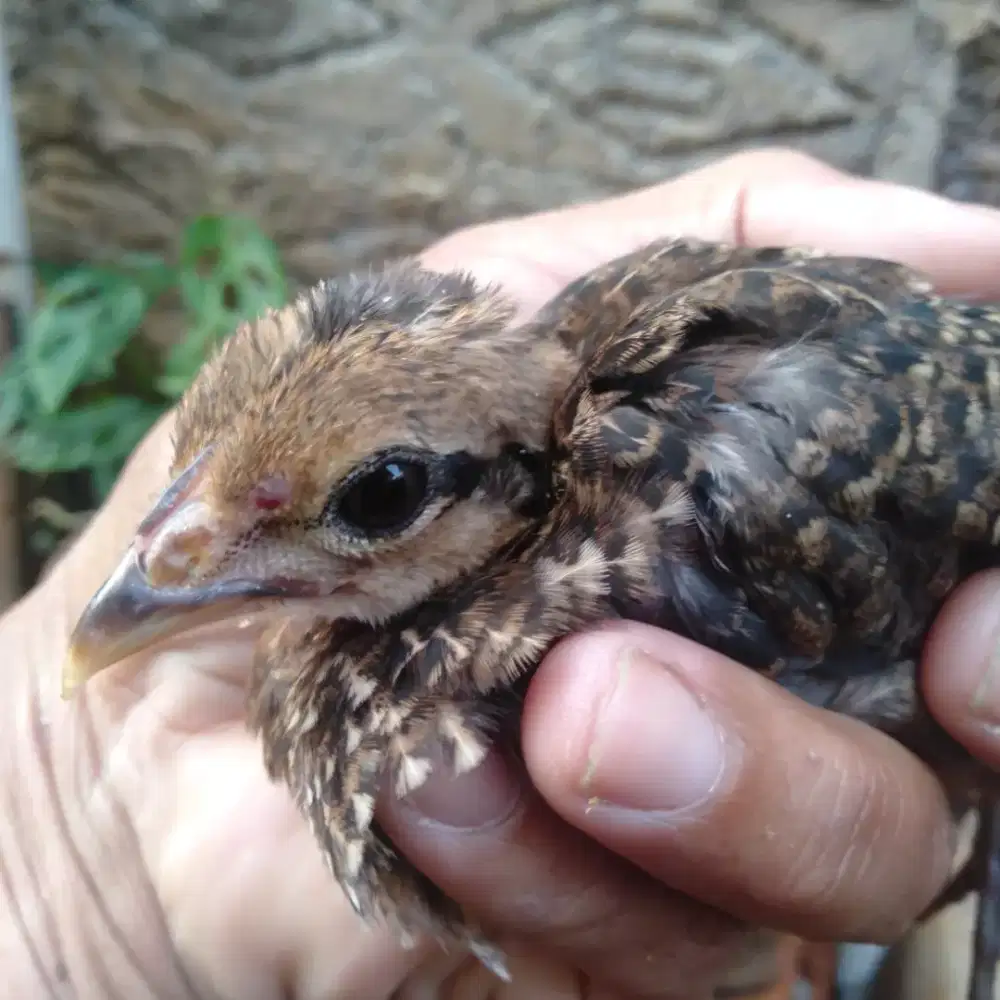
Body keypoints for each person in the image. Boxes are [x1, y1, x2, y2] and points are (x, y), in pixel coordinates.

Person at [6, 147, 1000, 1000]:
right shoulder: (429, 601)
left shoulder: (714, 482)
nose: (160, 584)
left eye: (378, 495)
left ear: (508, 474)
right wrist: (67, 835)